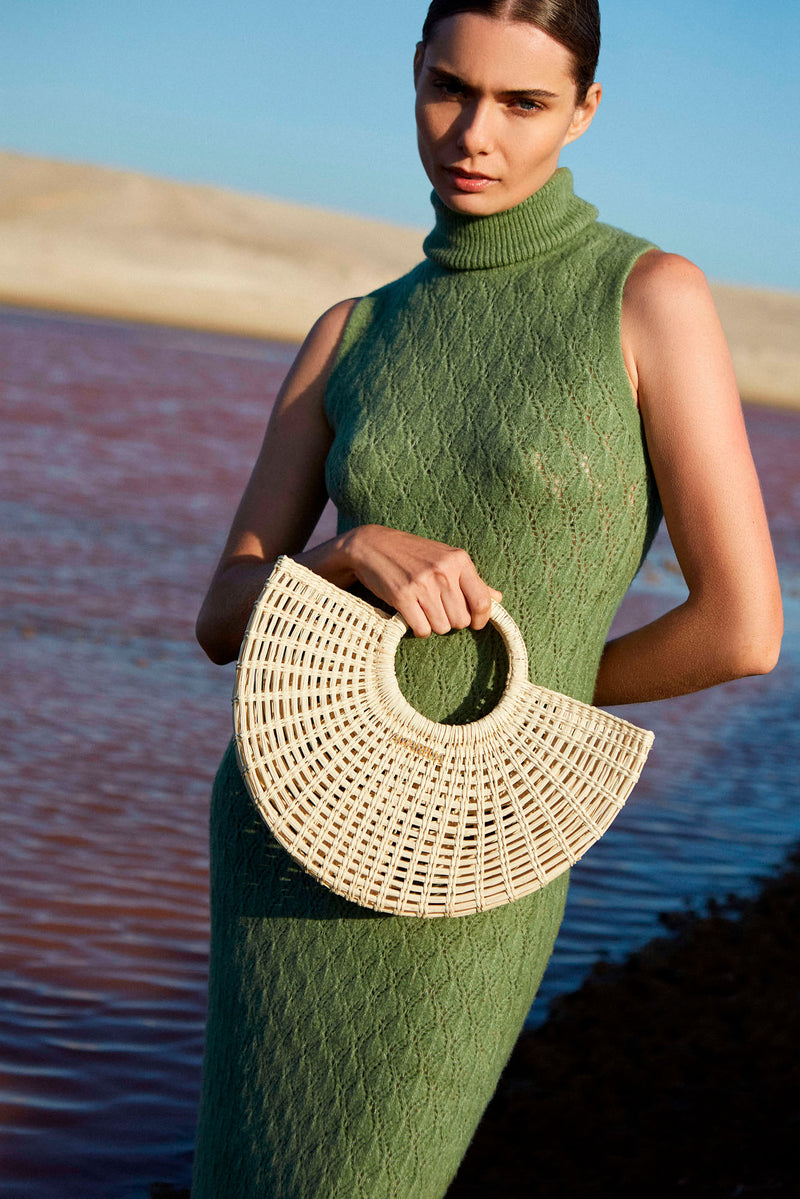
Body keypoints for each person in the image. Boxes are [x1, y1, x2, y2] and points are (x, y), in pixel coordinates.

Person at [191, 1, 783, 1195]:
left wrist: (525, 696)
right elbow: (224, 610)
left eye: (522, 103)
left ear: (584, 112)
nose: (473, 133)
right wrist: (343, 553)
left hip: (475, 846)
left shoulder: (646, 298)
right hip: (284, 822)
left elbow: (741, 627)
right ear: (412, 76)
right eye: (447, 89)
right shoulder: (350, 332)